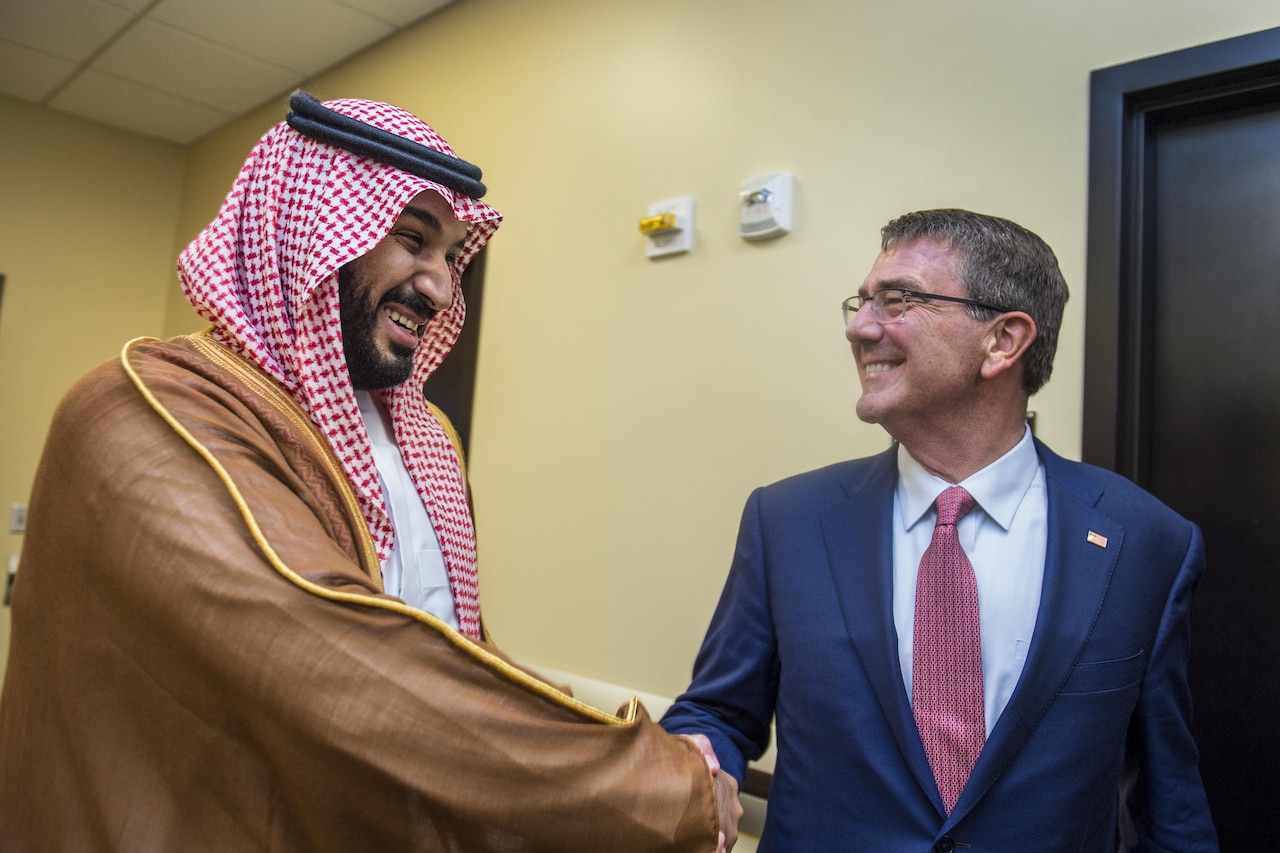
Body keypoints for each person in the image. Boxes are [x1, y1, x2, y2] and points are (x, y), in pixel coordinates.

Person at [0, 92, 739, 852]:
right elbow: (344, 659)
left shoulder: (425, 441)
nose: (439, 285)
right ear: (311, 225)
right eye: (412, 238)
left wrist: (639, 754)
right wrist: (663, 785)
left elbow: (459, 657)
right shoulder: (141, 409)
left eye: (451, 255)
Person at [660, 209, 1218, 850]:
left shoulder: (1144, 541)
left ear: (1003, 341)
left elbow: (1169, 797)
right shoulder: (788, 520)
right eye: (861, 302)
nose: (859, 327)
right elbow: (719, 711)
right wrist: (696, 758)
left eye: (897, 301)